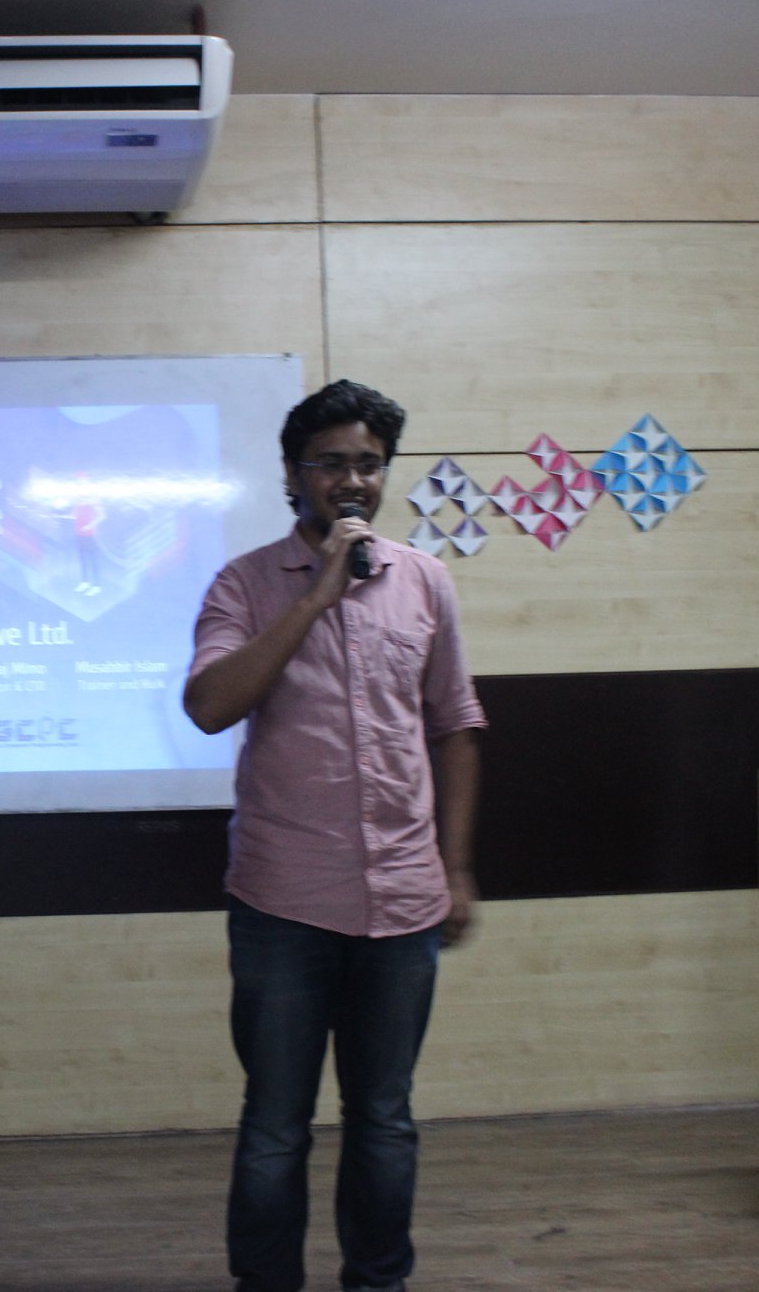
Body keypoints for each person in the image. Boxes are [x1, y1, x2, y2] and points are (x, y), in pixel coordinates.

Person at [183, 379, 486, 1292]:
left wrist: (456, 867)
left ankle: (378, 1281)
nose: (353, 481)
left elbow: (456, 725)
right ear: (292, 475)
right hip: (283, 901)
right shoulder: (243, 584)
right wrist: (315, 596)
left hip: (403, 898)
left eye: (369, 464)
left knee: (385, 1119)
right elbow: (209, 706)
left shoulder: (425, 580)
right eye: (331, 464)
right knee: (276, 1125)